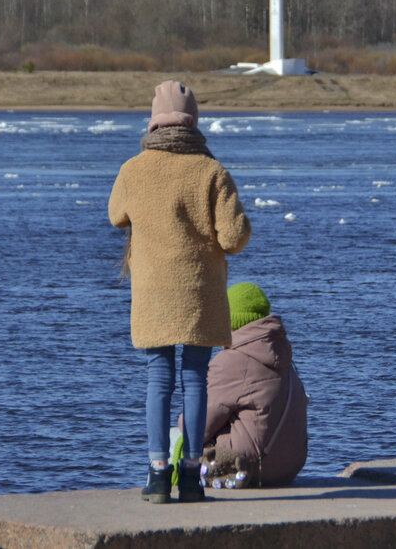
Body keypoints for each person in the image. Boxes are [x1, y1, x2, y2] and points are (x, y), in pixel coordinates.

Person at [108, 80, 251, 504]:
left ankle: (156, 475)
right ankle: (190, 475)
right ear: (195, 122)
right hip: (200, 292)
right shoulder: (211, 171)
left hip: (152, 290)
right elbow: (234, 238)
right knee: (195, 378)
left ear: (153, 122)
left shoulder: (134, 168)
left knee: (158, 378)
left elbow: (116, 215)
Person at [199, 281, 308, 488]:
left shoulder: (230, 362)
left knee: (177, 437)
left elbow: (197, 425)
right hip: (289, 468)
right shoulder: (283, 355)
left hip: (248, 467)